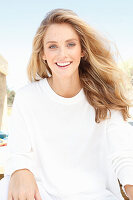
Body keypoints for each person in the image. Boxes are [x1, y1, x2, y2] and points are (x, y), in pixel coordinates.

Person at [0, 8, 133, 200]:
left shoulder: (104, 97)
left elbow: (123, 155)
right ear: (43, 53)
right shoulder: (26, 97)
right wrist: (21, 169)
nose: (62, 54)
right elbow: (18, 151)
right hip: (41, 194)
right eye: (52, 46)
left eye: (70, 44)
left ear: (83, 51)